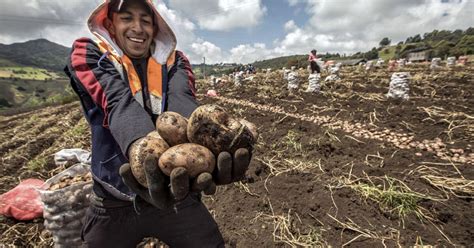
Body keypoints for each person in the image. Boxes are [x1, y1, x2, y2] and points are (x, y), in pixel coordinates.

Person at [64, 0, 251, 247]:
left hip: (174, 190)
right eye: (127, 18)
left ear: (155, 27)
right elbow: (117, 101)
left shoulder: (175, 61)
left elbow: (181, 98)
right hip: (113, 196)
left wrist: (208, 141)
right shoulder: (89, 54)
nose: (138, 28)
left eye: (145, 20)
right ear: (110, 23)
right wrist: (145, 152)